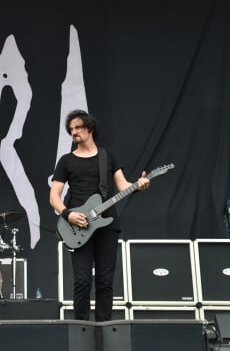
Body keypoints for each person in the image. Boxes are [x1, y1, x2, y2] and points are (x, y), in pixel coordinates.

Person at [49, 109, 150, 321]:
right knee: (82, 281)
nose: (74, 132)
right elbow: (54, 197)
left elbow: (123, 185)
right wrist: (68, 215)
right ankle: (81, 328)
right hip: (77, 226)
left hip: (107, 226)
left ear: (90, 128)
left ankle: (104, 328)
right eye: (71, 129)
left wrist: (139, 185)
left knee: (105, 280)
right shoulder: (66, 161)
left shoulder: (108, 156)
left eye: (78, 127)